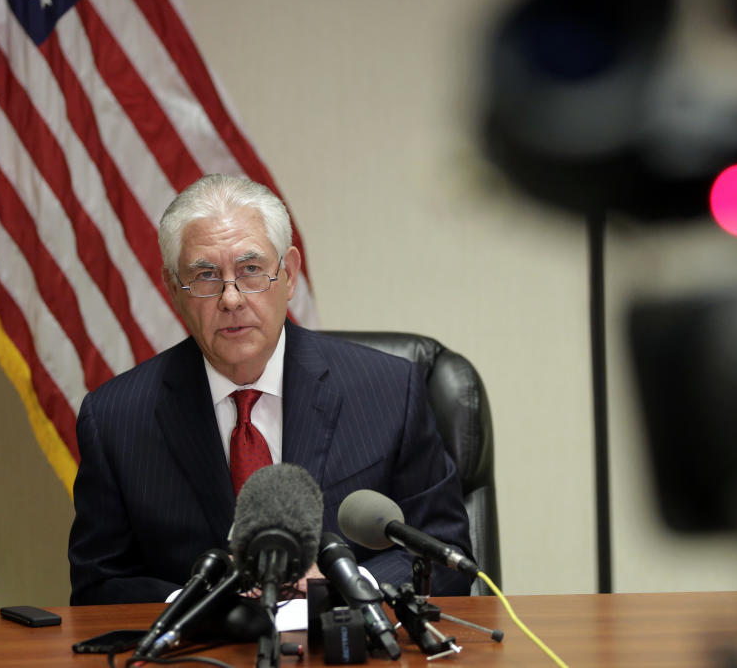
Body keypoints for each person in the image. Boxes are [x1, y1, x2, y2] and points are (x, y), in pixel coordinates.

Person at [68, 174, 473, 604]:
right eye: (205, 276)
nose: (231, 298)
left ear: (289, 274)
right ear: (173, 289)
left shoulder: (389, 391)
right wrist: (196, 605)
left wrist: (348, 590)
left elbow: (441, 549)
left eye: (250, 271)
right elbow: (99, 583)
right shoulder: (115, 419)